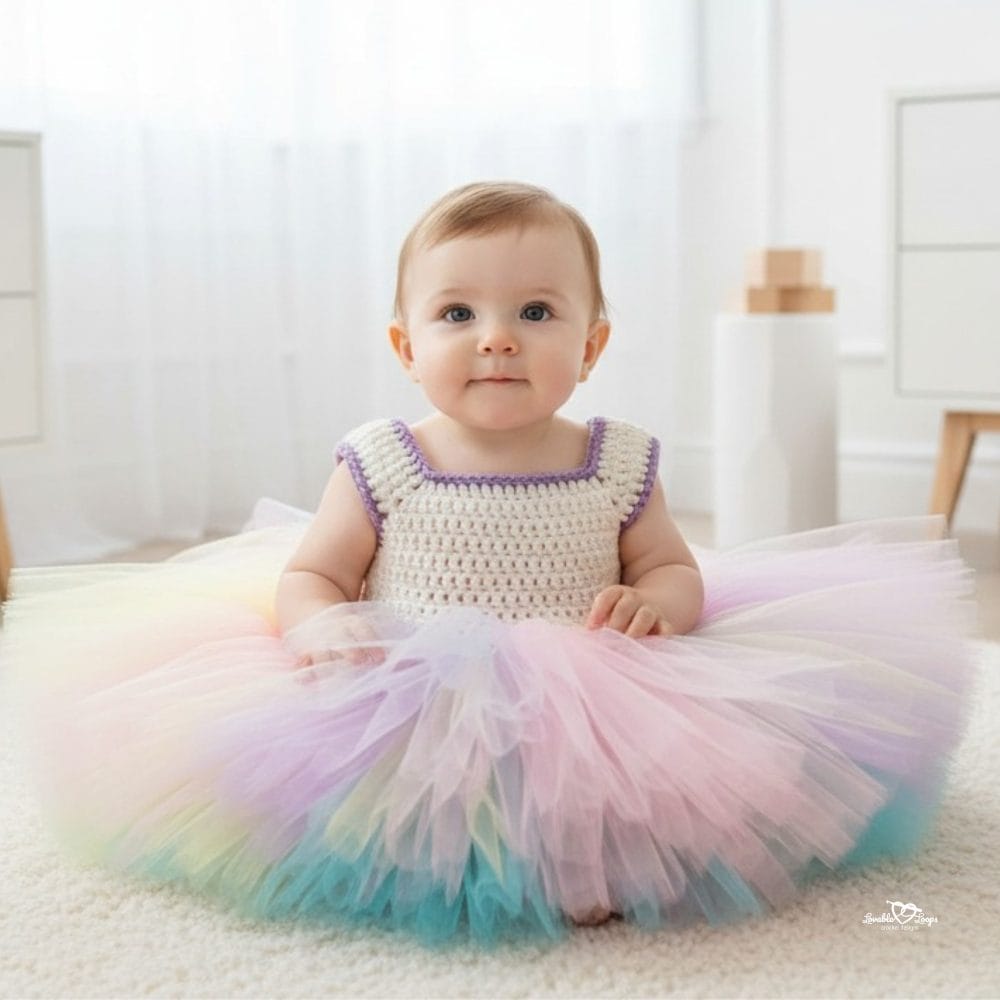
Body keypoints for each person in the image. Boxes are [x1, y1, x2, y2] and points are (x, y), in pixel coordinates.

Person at [2, 182, 977, 950]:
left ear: (591, 346)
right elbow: (312, 575)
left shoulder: (617, 460)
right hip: (407, 681)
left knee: (616, 786)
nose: (497, 336)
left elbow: (673, 566)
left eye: (537, 311)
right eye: (457, 312)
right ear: (406, 345)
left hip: (591, 690)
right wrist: (324, 623)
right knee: (391, 798)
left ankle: (593, 861)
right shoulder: (383, 460)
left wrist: (656, 604)